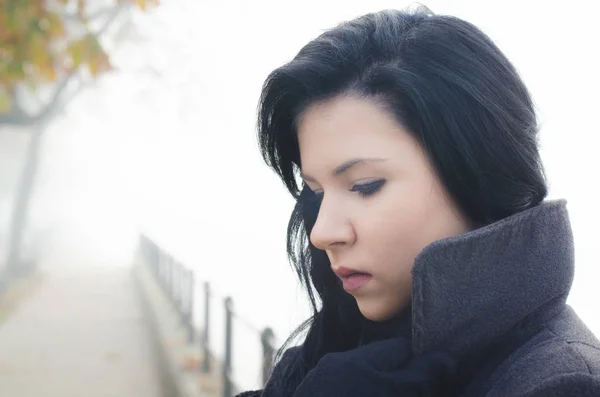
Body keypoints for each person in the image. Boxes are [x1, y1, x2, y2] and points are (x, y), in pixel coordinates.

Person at [236, 6, 600, 397]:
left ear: (475, 172)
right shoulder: (353, 340)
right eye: (317, 192)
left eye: (365, 185)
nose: (321, 233)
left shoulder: (561, 384)